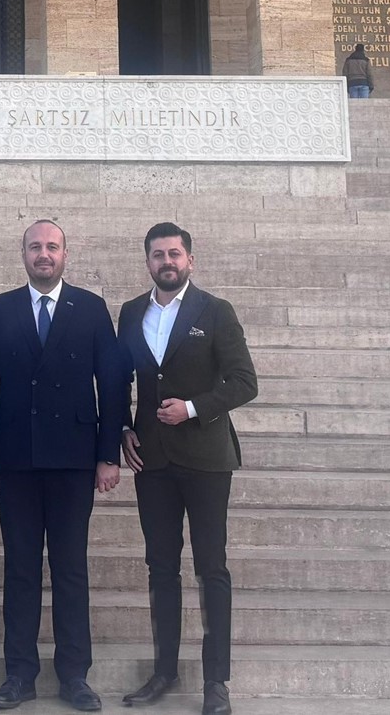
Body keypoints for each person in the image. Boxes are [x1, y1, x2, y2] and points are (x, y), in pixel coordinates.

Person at [0, 222, 125, 713]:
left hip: (73, 460)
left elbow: (112, 381)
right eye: (36, 247)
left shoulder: (91, 308)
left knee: (70, 569)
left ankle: (74, 675)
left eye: (52, 247)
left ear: (65, 253)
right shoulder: (0, 309)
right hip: (16, 459)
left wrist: (108, 455)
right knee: (20, 569)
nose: (44, 254)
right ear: (23, 253)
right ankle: (19, 674)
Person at [115, 224, 258, 715]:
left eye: (174, 253)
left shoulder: (215, 311)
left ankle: (216, 681)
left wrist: (193, 408)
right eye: (158, 255)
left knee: (211, 567)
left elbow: (244, 381)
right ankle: (164, 671)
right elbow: (119, 377)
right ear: (148, 263)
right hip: (152, 460)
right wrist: (122, 427)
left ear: (190, 260)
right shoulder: (131, 312)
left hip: (206, 459)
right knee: (161, 567)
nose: (167, 262)